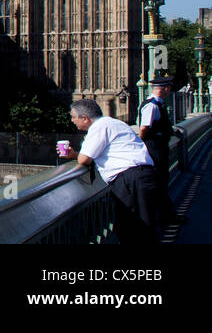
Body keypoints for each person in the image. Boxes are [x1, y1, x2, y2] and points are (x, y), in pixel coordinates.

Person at [62, 98, 160, 245]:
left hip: (130, 179)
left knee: (134, 230)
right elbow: (96, 154)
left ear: (84, 118)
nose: (72, 120)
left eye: (73, 117)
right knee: (140, 227)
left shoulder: (98, 127)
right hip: (141, 175)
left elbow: (84, 160)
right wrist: (74, 154)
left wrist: (78, 156)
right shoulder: (113, 123)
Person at [138, 76, 187, 226]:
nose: (169, 90)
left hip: (158, 147)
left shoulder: (157, 104)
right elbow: (144, 129)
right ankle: (165, 217)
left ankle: (165, 215)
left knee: (161, 182)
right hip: (154, 148)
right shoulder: (152, 106)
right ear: (165, 89)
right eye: (169, 88)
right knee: (159, 182)